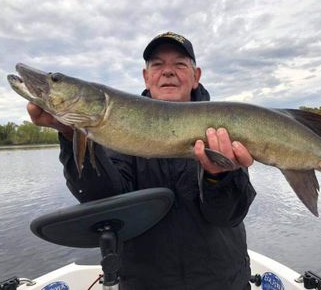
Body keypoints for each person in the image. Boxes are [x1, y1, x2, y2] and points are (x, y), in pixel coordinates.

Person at [27, 31, 257, 290]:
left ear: (196, 76)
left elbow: (228, 216)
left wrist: (220, 176)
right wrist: (71, 134)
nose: (167, 72)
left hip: (222, 282)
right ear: (146, 77)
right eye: (157, 65)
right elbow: (102, 201)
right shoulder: (118, 133)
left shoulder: (220, 129)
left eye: (179, 64)